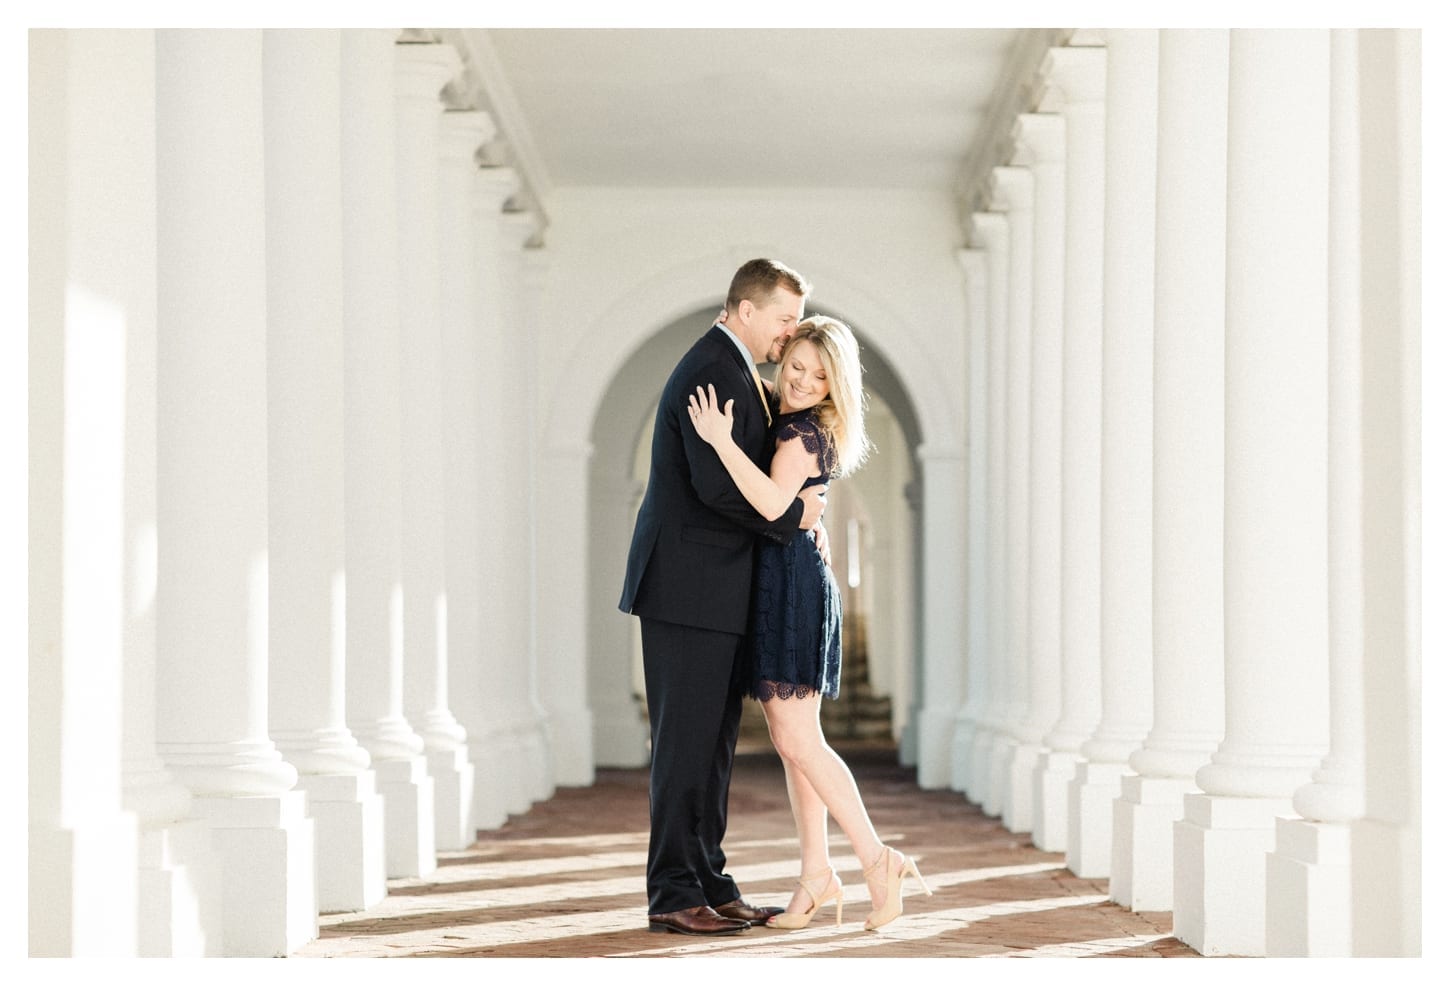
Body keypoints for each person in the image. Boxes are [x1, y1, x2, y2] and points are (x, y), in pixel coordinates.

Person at [685, 315, 931, 932]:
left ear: (834, 385)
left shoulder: (800, 434)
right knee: (796, 745)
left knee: (799, 742)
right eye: (796, 365)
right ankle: (816, 876)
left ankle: (879, 861)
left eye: (820, 376)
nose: (802, 380)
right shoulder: (787, 415)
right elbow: (789, 505)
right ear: (784, 353)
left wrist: (719, 440)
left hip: (791, 588)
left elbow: (770, 503)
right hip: (787, 580)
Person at [618, 258, 828, 936]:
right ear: (745, 309)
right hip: (686, 590)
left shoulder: (735, 367)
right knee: (685, 746)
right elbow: (716, 489)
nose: (790, 334)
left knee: (712, 747)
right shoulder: (714, 366)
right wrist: (795, 517)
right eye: (784, 318)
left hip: (709, 590)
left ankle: (710, 881)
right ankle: (674, 893)